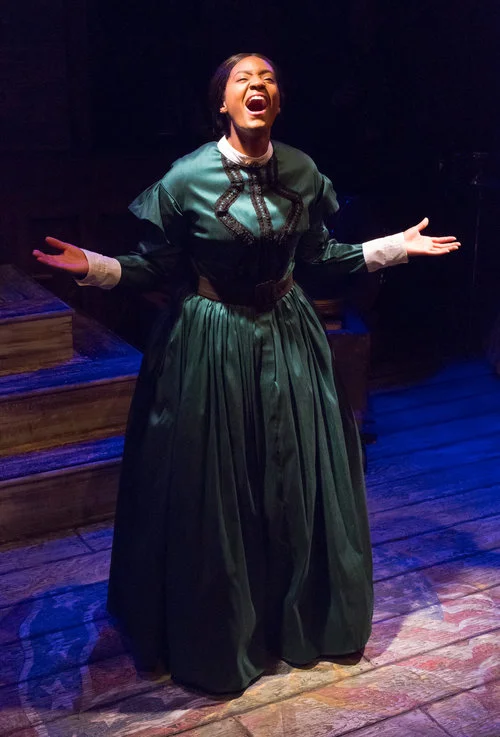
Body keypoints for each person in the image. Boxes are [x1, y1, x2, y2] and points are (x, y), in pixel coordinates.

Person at [33, 53, 460, 694]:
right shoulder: (186, 178)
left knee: (293, 475)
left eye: (268, 80)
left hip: (287, 333)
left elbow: (321, 259)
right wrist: (94, 266)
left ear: (277, 102)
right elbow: (156, 267)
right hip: (211, 337)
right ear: (223, 103)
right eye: (243, 80)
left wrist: (395, 247)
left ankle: (298, 621)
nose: (257, 86)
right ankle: (219, 632)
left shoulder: (302, 170)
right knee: (216, 485)